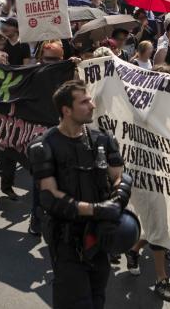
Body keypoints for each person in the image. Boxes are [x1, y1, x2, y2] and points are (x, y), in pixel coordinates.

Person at [29, 80, 130, 309]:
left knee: (97, 298)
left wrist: (117, 199)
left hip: (100, 234)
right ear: (66, 110)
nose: (92, 105)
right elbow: (50, 196)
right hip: (66, 238)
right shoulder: (43, 146)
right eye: (84, 102)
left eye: (90, 99)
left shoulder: (103, 139)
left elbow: (119, 175)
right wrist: (95, 209)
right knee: (74, 301)